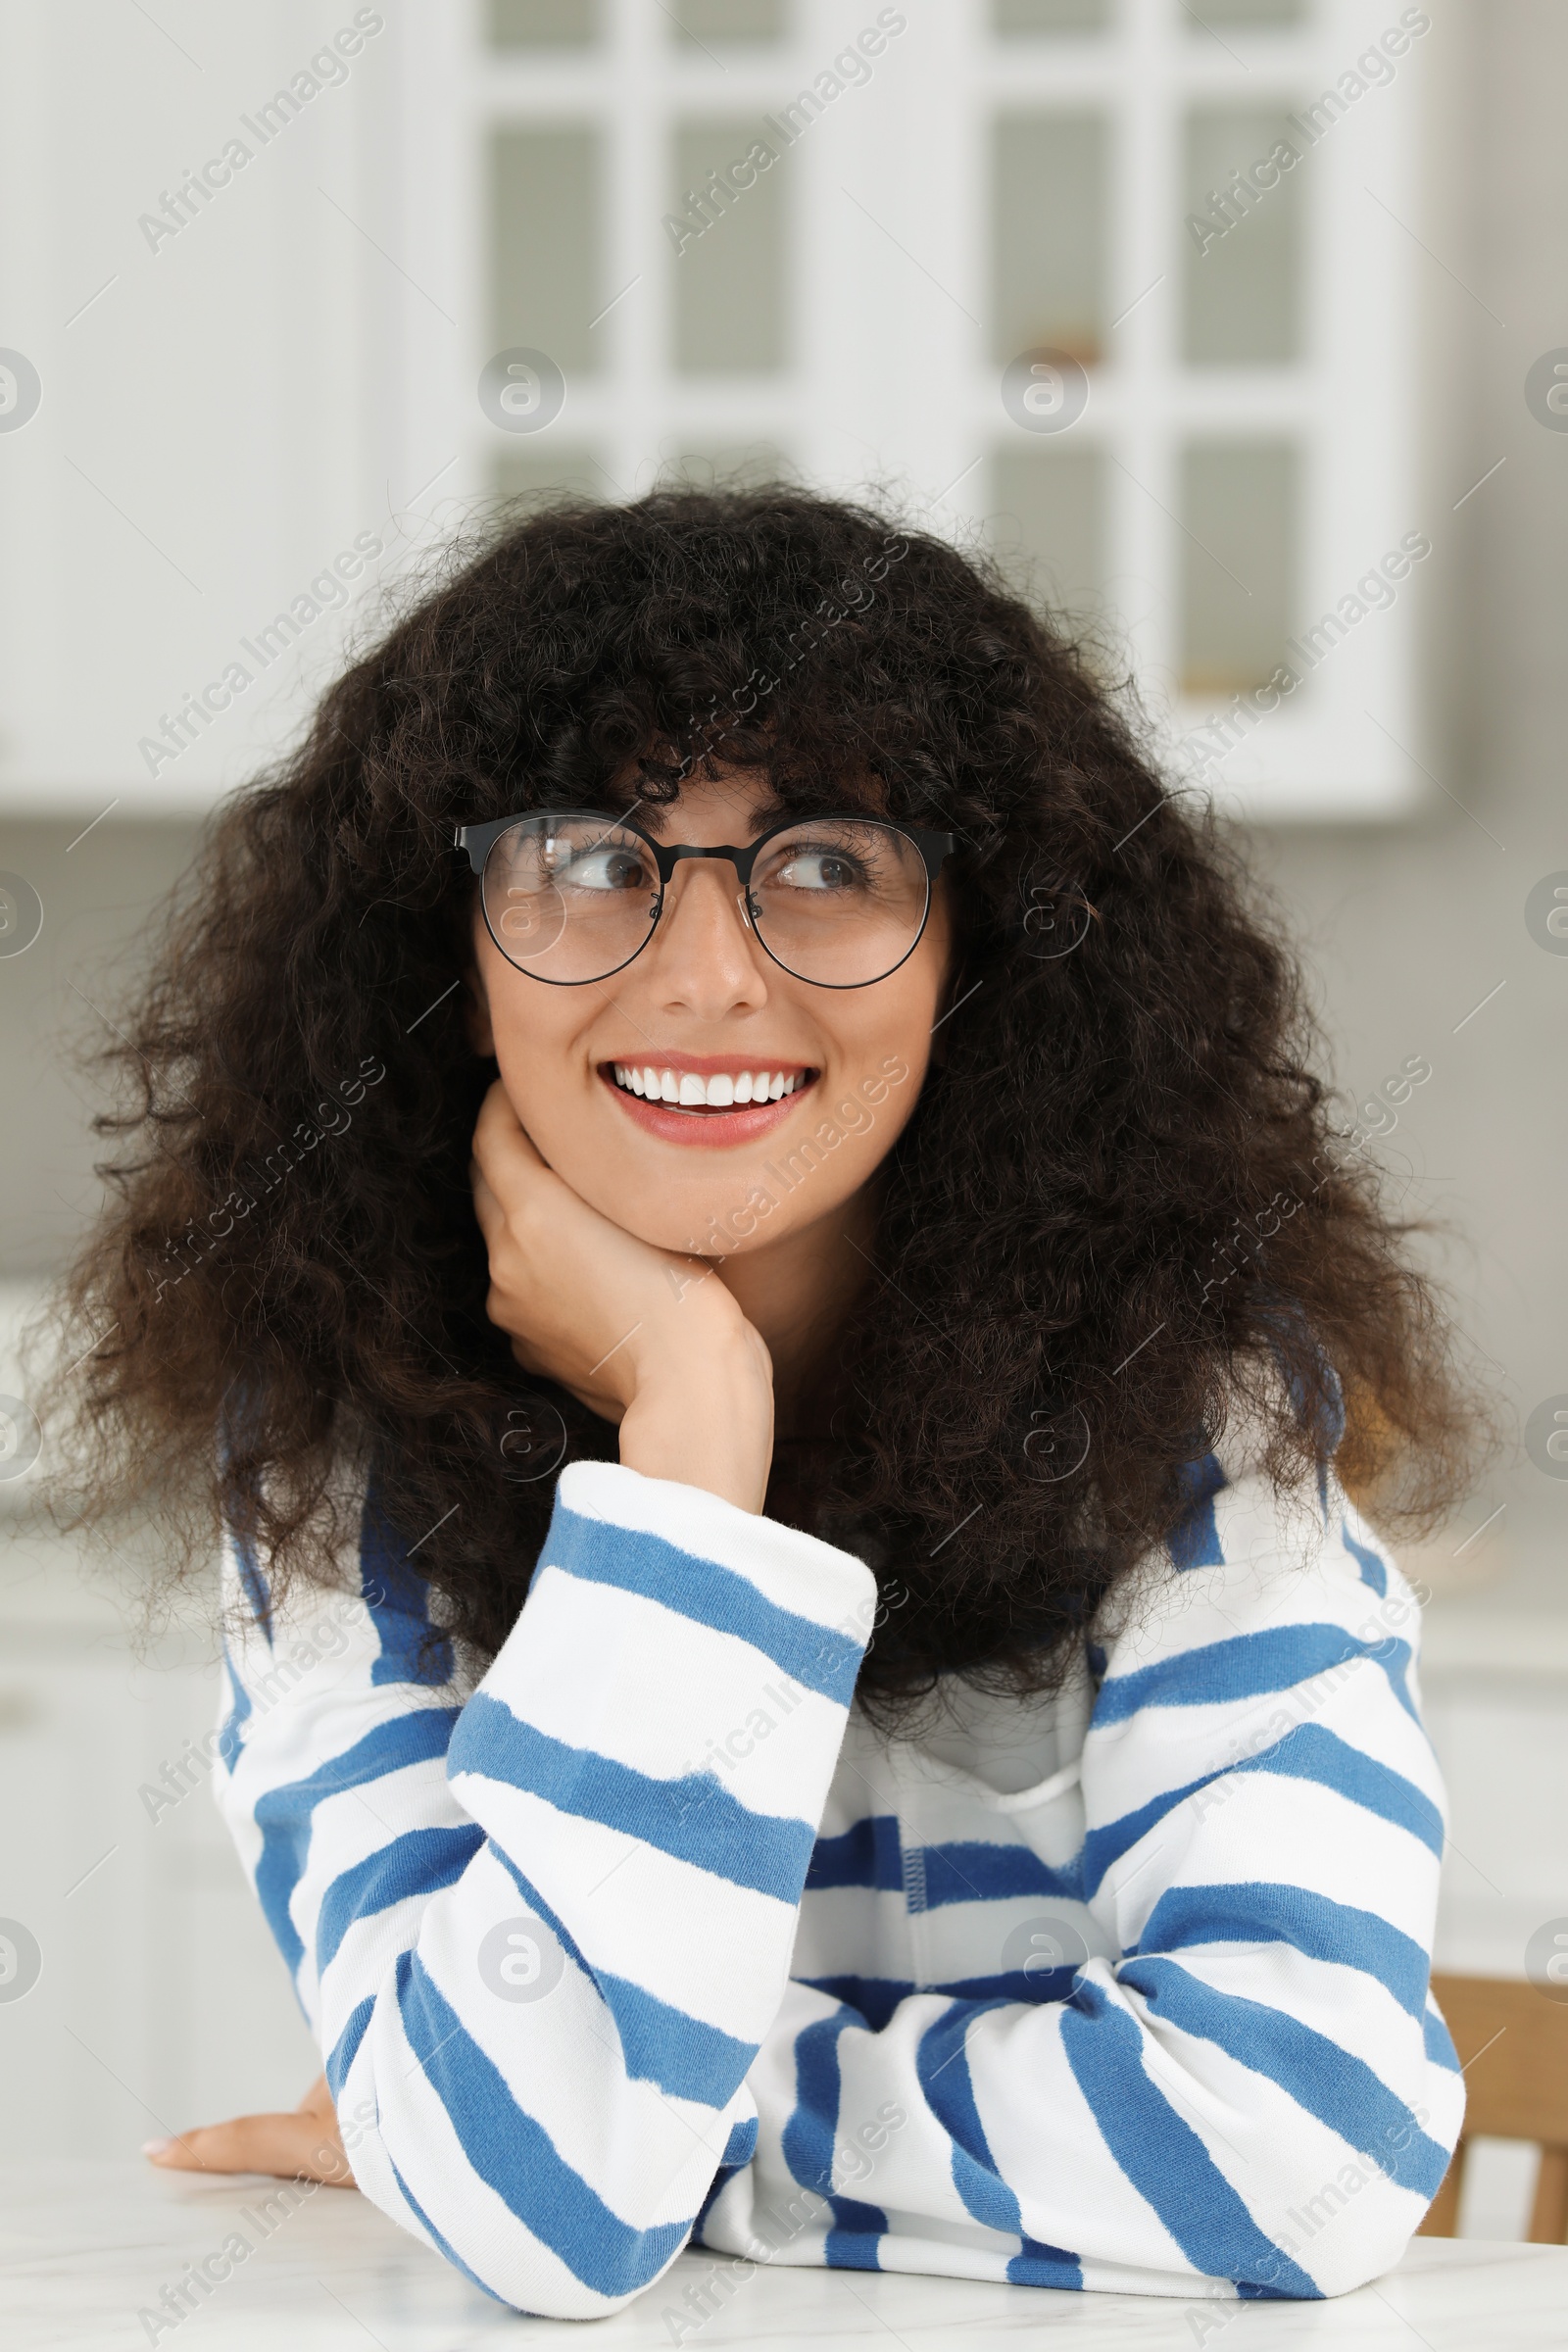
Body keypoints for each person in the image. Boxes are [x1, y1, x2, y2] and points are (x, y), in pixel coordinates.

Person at [52, 488, 1488, 2318]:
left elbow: (1303, 2148)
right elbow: (553, 2224)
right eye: (584, 856)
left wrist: (627, 2109)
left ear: (977, 947)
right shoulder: (350, 1457)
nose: (710, 976)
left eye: (827, 862)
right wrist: (691, 1431)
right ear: (455, 955)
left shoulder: (1194, 1407)